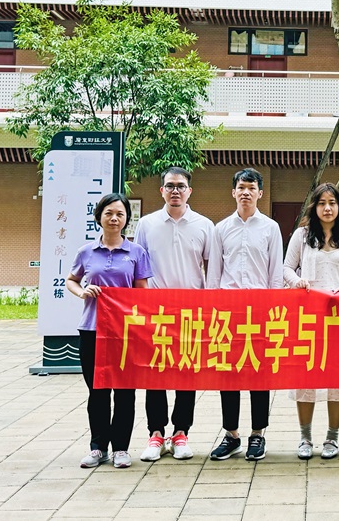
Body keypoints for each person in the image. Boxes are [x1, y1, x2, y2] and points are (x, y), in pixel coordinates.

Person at [67, 193, 153, 469]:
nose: (114, 219)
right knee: (97, 391)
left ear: (127, 219)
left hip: (125, 333)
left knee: (125, 391)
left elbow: (142, 293)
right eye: (109, 213)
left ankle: (121, 449)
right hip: (92, 329)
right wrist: (82, 292)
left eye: (120, 214)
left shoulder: (137, 252)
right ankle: (98, 447)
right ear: (99, 217)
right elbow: (71, 280)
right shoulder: (86, 252)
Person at [133, 167, 213, 463]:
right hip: (156, 311)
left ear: (190, 191)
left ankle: (181, 433)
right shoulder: (147, 224)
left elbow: (212, 268)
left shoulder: (204, 225)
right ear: (162, 191)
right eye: (170, 186)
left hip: (192, 311)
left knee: (186, 374)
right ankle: (156, 433)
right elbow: (138, 267)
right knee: (154, 373)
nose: (175, 191)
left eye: (180, 186)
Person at [206, 168, 284, 462]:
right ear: (233, 192)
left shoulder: (270, 228)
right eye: (241, 187)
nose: (246, 192)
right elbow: (214, 273)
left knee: (258, 373)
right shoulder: (221, 228)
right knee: (228, 374)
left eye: (251, 188)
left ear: (260, 193)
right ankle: (231, 434)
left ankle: (257, 434)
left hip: (260, 309)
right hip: (228, 309)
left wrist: (274, 310)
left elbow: (275, 273)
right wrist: (212, 309)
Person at [283, 183, 339, 460]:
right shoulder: (302, 236)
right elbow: (286, 268)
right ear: (314, 207)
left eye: (332, 203)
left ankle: (332, 437)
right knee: (306, 376)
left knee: (337, 377)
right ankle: (305, 438)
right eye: (321, 203)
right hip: (307, 315)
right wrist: (297, 281)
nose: (327, 208)